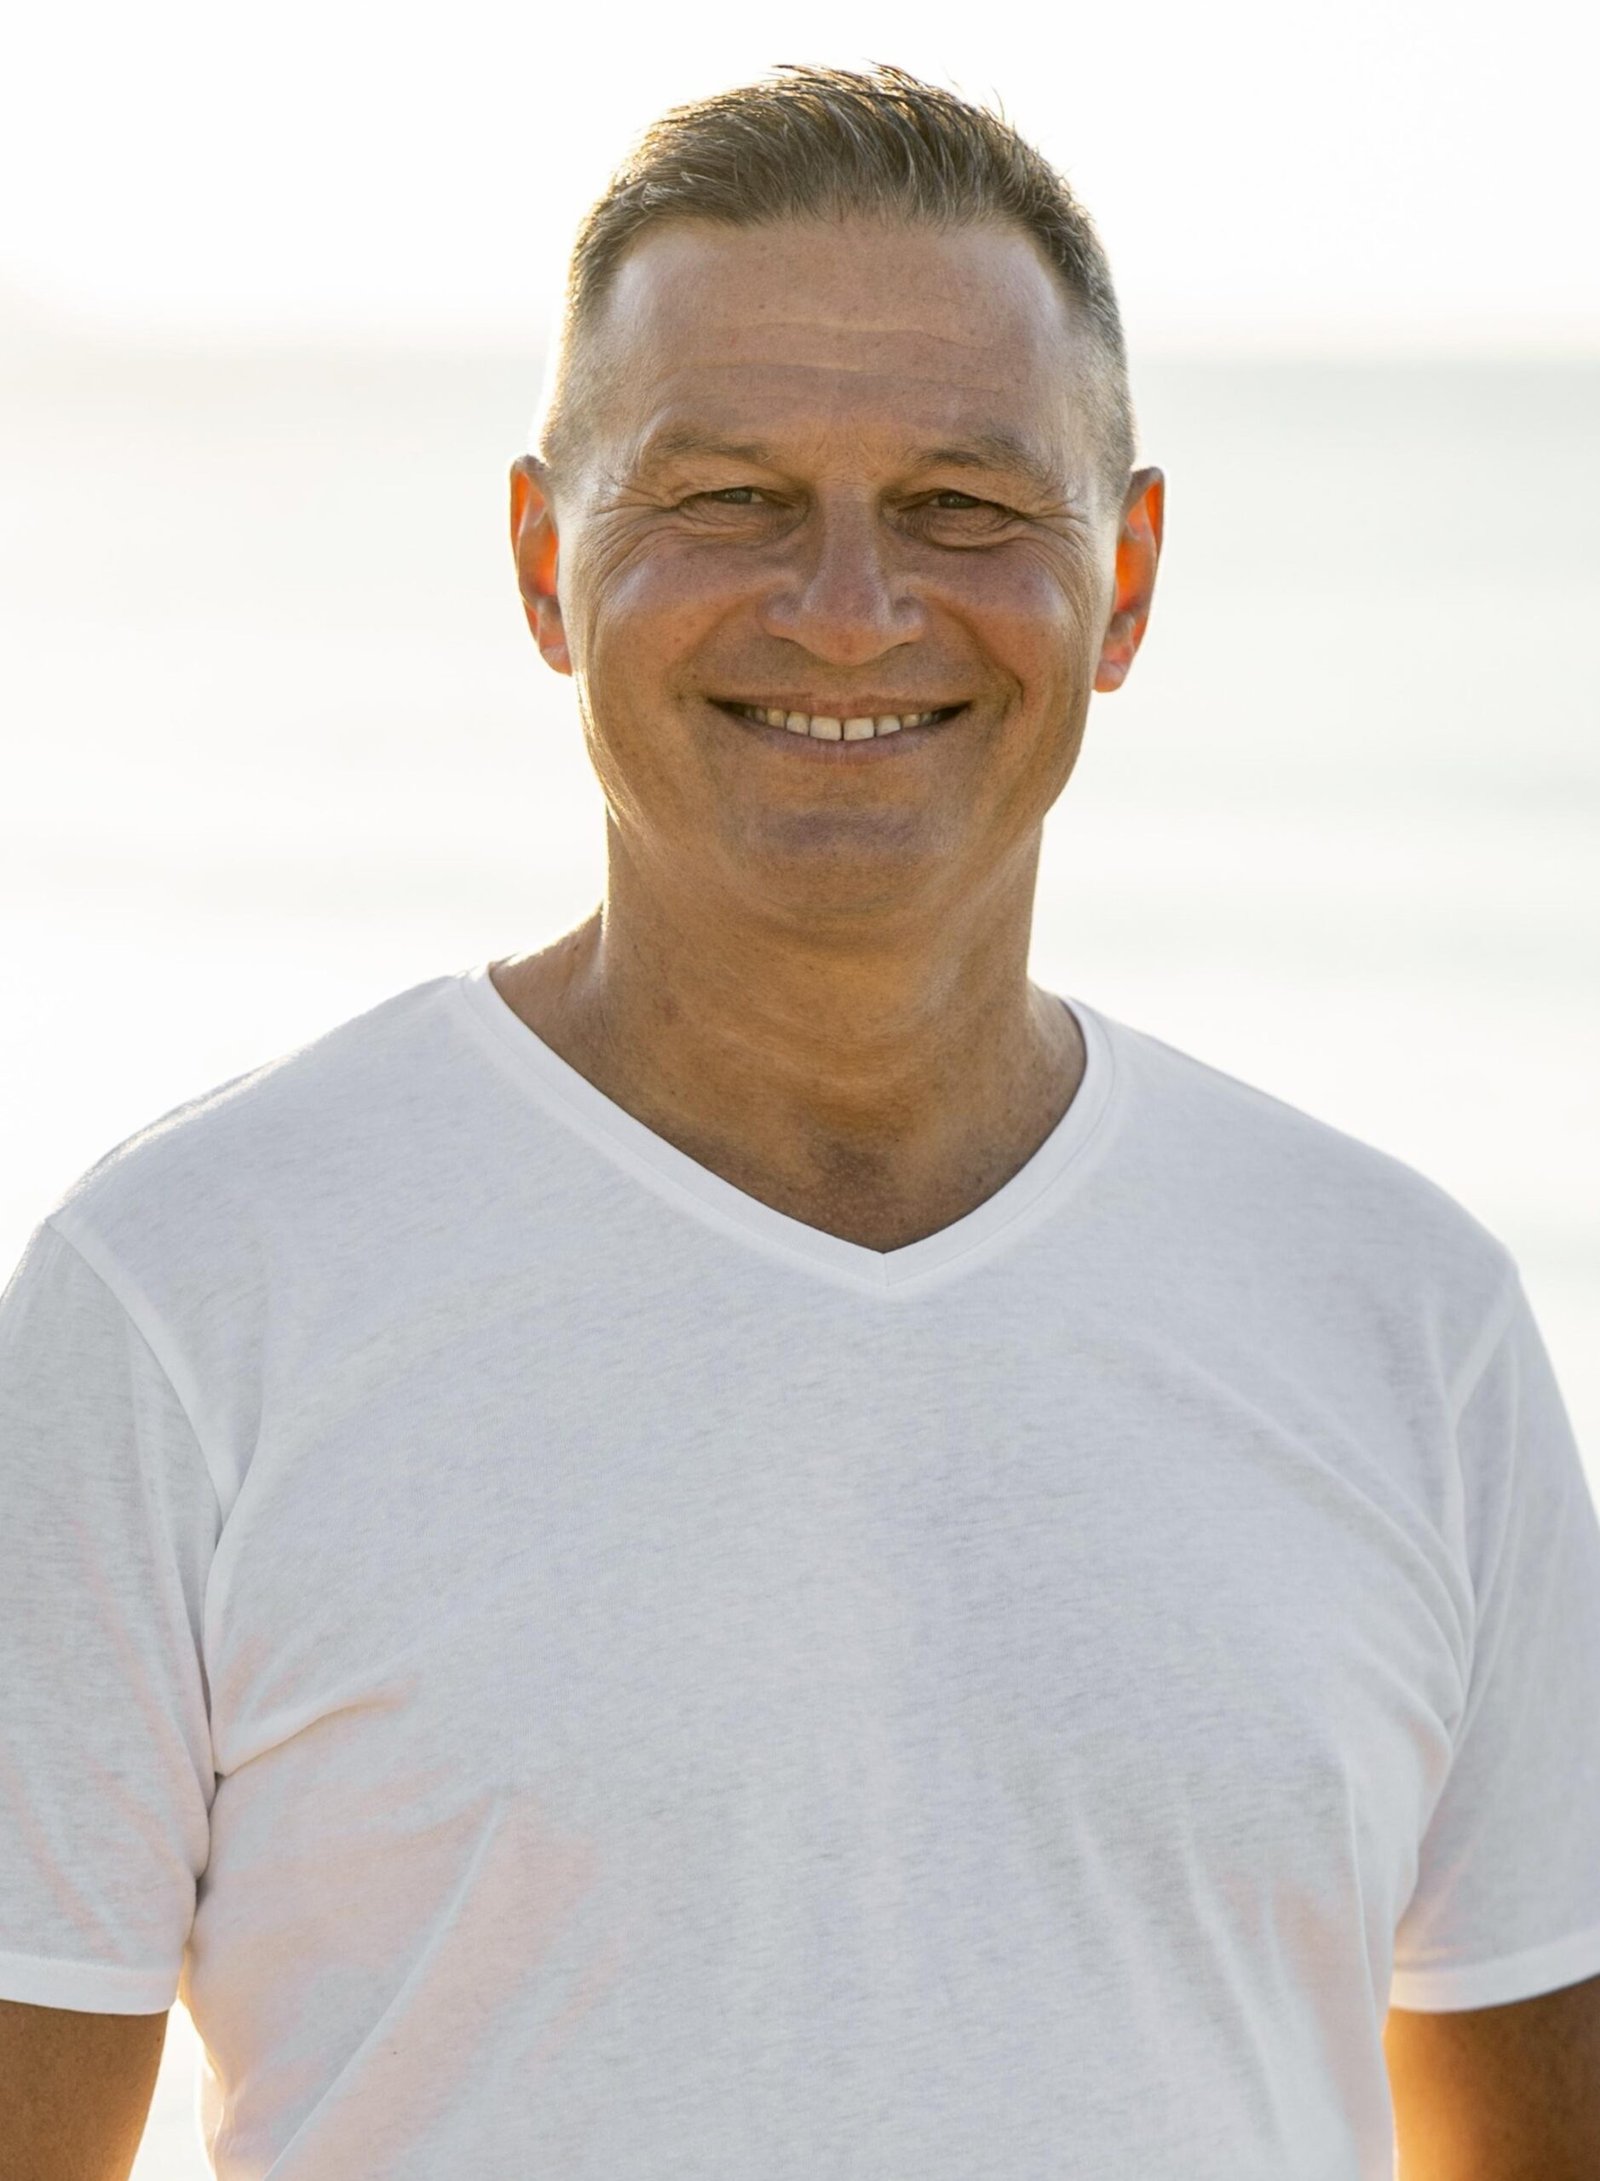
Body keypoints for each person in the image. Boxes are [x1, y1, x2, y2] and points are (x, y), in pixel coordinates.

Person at [1, 61, 1597, 2181]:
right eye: (728, 495)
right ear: (541, 561)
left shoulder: (1405, 1321)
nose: (848, 606)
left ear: (1124, 578)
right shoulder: (185, 1298)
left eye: (962, 504)